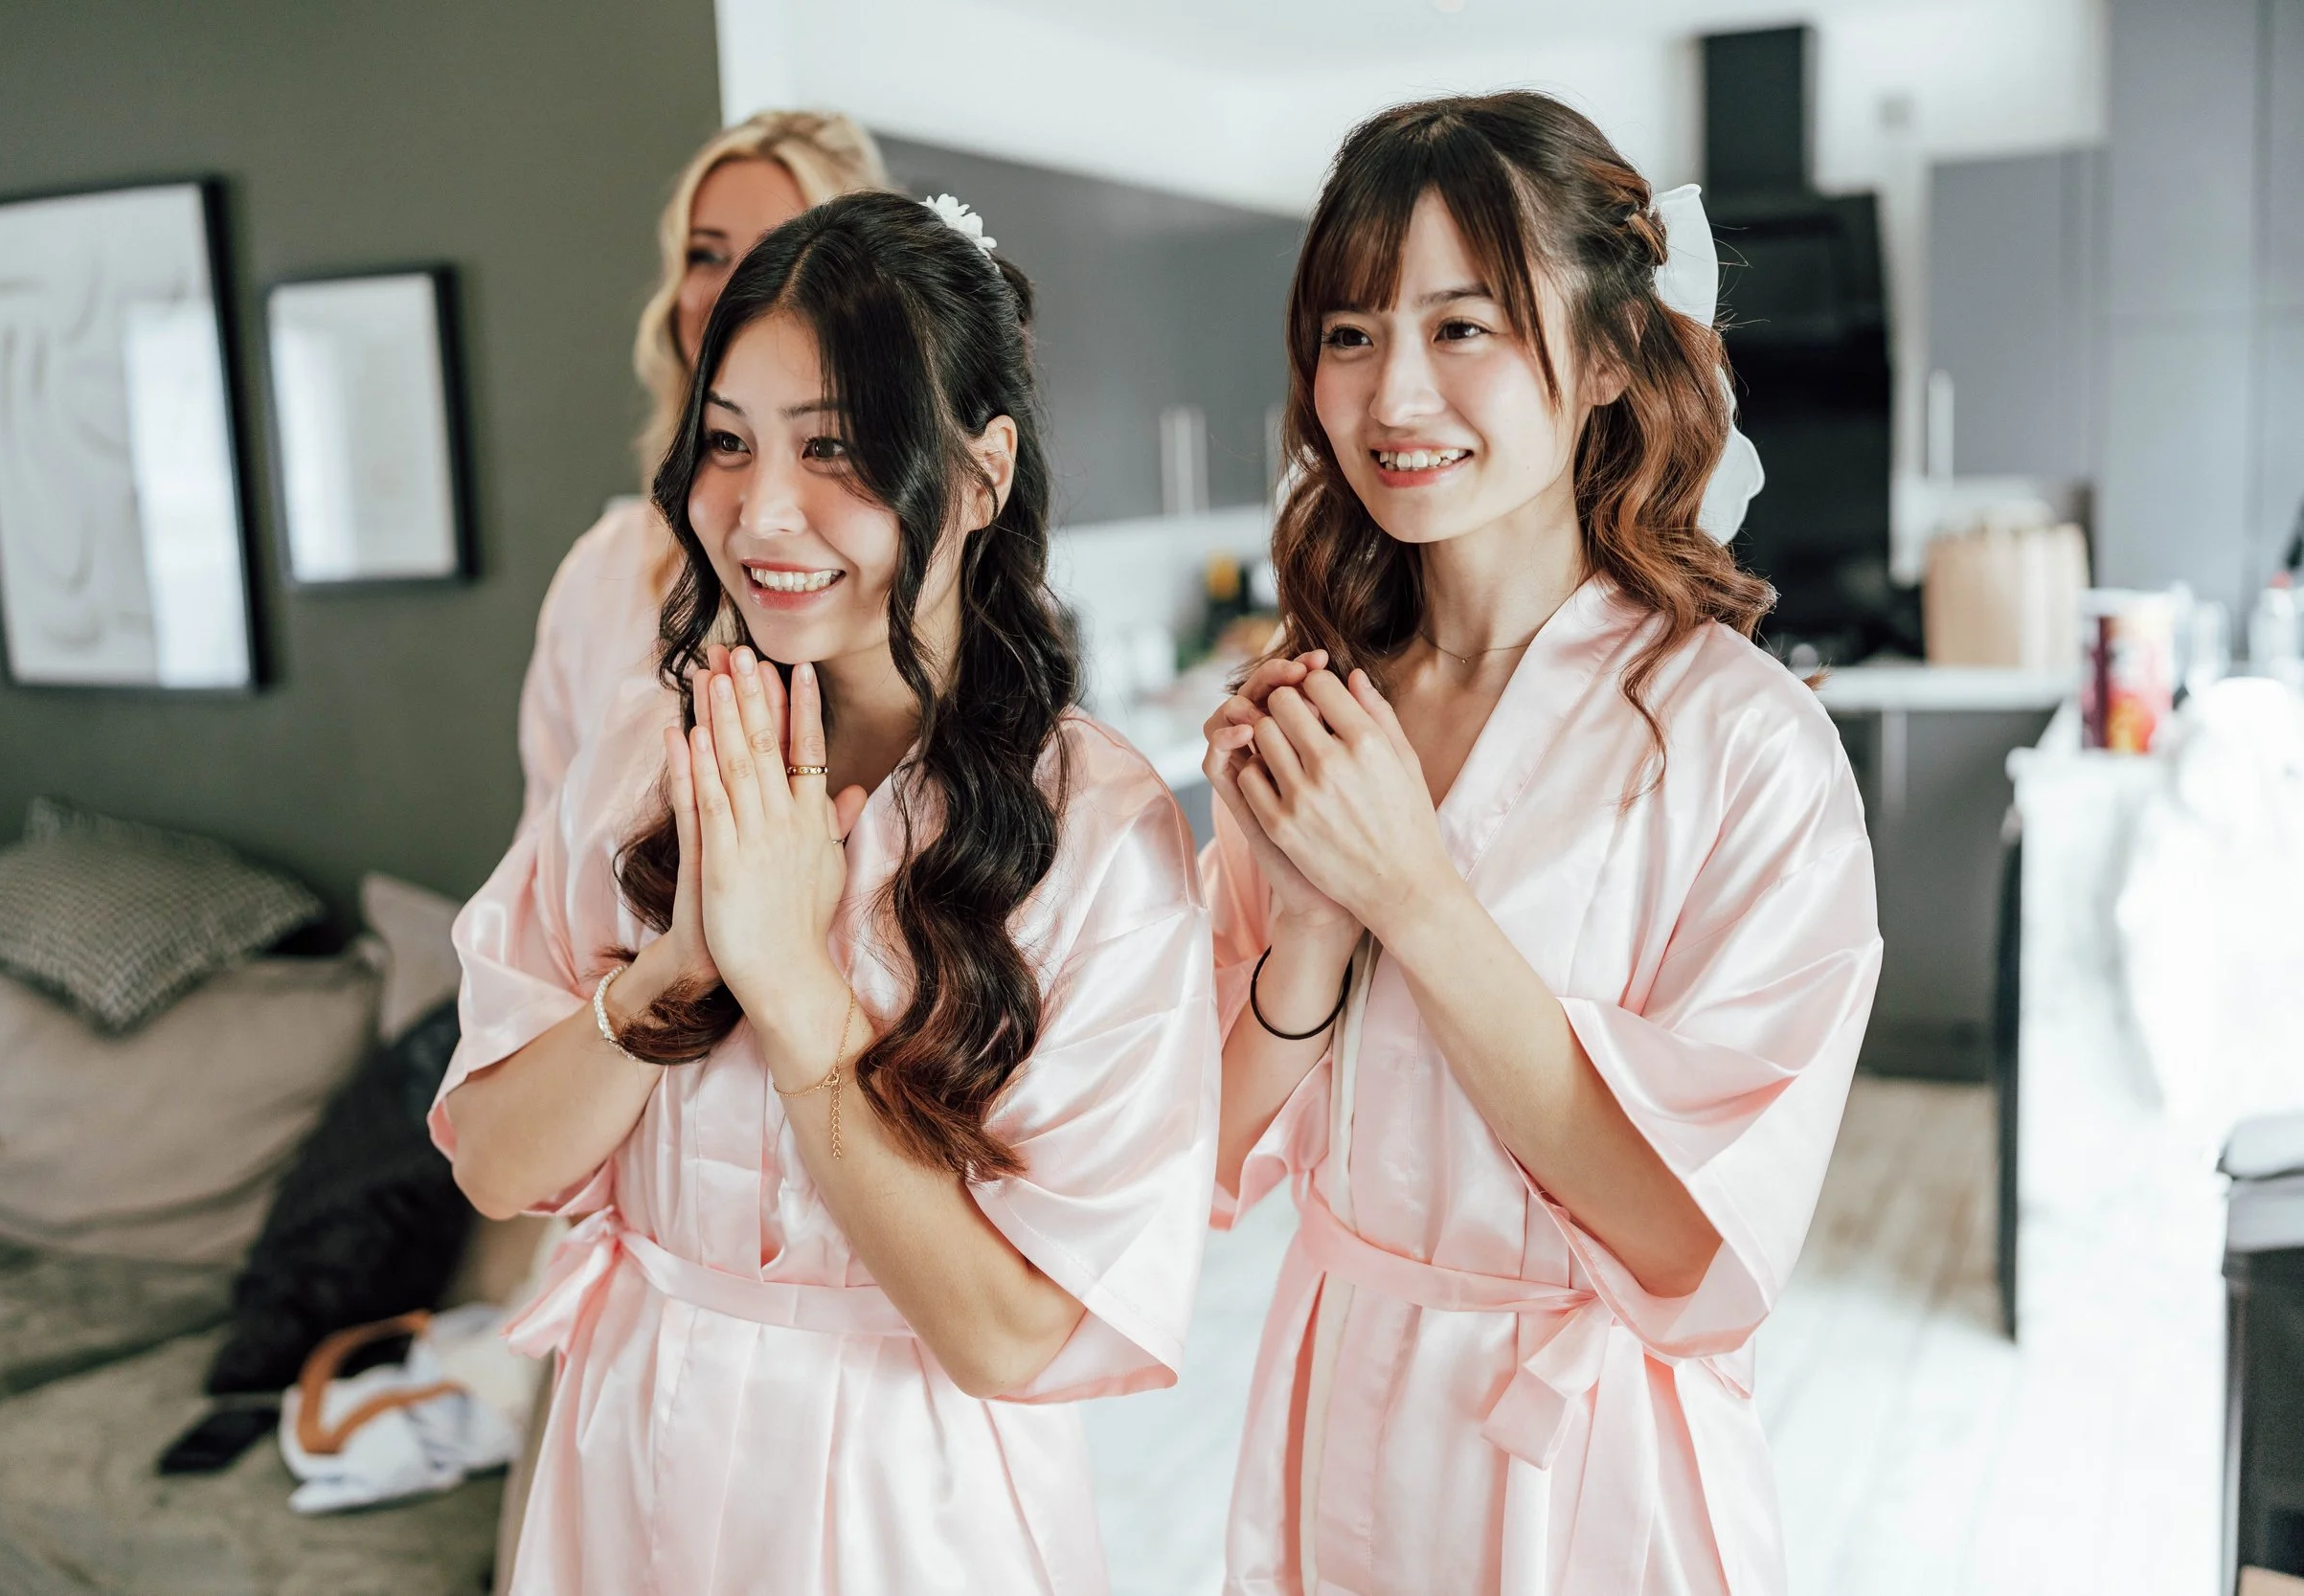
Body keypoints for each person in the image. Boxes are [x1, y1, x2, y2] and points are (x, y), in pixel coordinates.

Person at [435, 191, 1220, 1595]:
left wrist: (796, 999)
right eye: (728, 442)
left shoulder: (1098, 831)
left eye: (840, 450)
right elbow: (494, 1159)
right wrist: (676, 966)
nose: (762, 511)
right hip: (627, 1461)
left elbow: (1014, 1334)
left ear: (980, 477)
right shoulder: (642, 750)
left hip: (905, 1501)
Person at [1202, 93, 1880, 1594]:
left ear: (1610, 362)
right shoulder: (1314, 715)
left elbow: (1685, 1241)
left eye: (1464, 328)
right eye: (1351, 333)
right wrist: (1308, 939)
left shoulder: (1743, 747)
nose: (1393, 397)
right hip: (1335, 1400)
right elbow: (1195, 1143)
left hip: (1587, 1466)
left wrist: (1413, 897)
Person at [517, 110, 889, 829]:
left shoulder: (891, 576)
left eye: (778, 255)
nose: (734, 293)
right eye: (706, 255)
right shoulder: (600, 574)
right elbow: (544, 847)